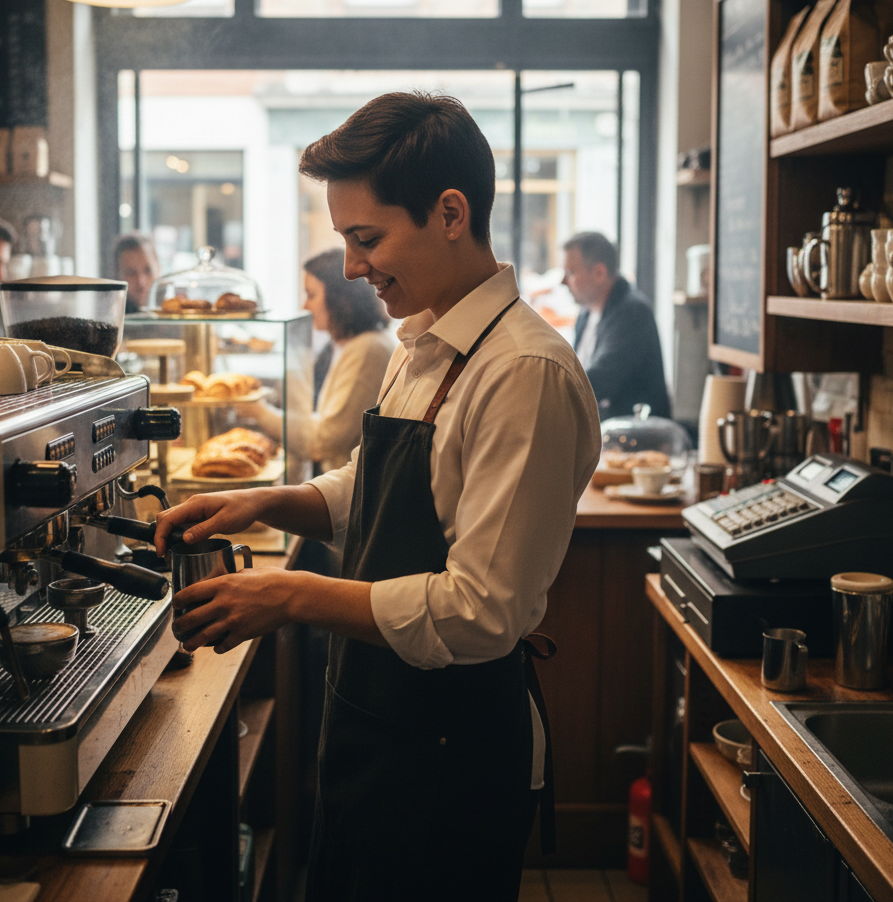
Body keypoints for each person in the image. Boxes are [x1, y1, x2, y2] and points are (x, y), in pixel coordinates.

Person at [153, 92, 600, 902]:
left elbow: (480, 612)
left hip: (449, 758)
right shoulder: (424, 344)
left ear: (451, 212)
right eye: (347, 242)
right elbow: (377, 485)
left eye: (368, 239)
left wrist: (290, 593)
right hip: (378, 728)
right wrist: (265, 503)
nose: (355, 267)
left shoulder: (523, 374)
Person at [242, 247, 394, 474]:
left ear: (339, 297)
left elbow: (322, 441)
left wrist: (259, 412)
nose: (305, 306)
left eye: (311, 295)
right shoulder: (345, 344)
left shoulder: (368, 349)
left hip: (348, 492)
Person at [562, 230, 671, 421]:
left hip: (636, 437)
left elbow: (600, 380)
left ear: (599, 273)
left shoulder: (632, 312)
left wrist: (550, 392)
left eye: (570, 273)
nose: (563, 282)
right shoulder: (586, 312)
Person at [113, 232, 160, 313]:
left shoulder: (178, 310)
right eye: (131, 273)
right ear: (119, 275)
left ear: (159, 268)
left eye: (148, 270)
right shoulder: (113, 318)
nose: (141, 282)